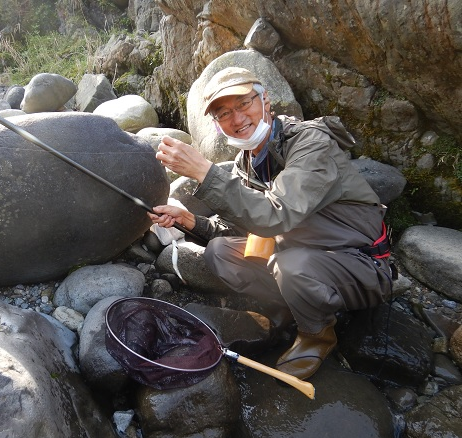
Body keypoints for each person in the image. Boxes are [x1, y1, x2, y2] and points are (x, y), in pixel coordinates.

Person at [148, 67, 394, 381]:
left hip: (361, 265)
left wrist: (205, 173)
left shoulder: (310, 144)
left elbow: (276, 215)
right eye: (224, 114)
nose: (237, 120)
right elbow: (244, 230)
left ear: (265, 100)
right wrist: (190, 221)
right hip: (302, 259)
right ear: (216, 124)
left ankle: (317, 333)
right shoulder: (246, 163)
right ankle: (300, 303)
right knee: (221, 252)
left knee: (292, 264)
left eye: (243, 105)